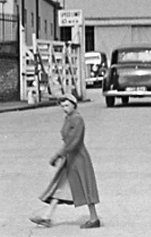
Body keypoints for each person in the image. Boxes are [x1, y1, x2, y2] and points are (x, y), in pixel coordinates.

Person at [32, 95, 101, 228]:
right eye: (62, 106)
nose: (65, 108)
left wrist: (58, 155)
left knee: (85, 186)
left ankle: (94, 218)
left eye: (67, 105)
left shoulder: (77, 119)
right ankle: (46, 217)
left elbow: (74, 141)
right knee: (60, 187)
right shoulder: (68, 118)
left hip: (79, 158)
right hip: (70, 158)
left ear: (74, 105)